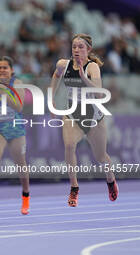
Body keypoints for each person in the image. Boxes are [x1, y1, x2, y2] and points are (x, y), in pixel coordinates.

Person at [50, 33, 118, 207]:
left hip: (93, 117)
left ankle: (110, 180)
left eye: (81, 47)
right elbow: (56, 76)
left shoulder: (92, 67)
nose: (77, 50)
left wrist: (84, 77)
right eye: (74, 47)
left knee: (101, 156)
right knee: (69, 144)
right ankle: (74, 187)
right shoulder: (63, 65)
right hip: (73, 113)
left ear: (88, 49)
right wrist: (52, 98)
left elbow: (99, 93)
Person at [0, 56, 30, 215]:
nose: (2, 70)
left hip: (15, 127)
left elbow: (19, 107)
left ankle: (25, 196)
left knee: (20, 164)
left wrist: (6, 94)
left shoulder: (16, 84)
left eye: (5, 68)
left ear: (11, 70)